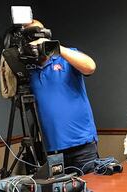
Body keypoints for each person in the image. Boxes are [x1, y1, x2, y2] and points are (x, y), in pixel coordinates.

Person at [27, 20, 99, 169]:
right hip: (52, 150)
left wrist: (56, 47)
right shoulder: (28, 70)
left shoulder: (65, 57)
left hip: (82, 145)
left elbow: (90, 67)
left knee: (93, 190)